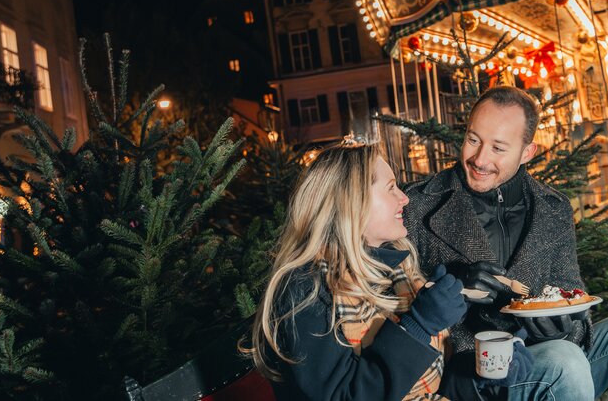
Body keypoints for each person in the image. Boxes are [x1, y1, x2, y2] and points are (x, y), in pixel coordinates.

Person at [247, 142, 576, 401]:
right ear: (352, 201)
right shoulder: (304, 288)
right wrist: (419, 325)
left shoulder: (397, 267)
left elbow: (433, 381)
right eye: (390, 188)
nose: (404, 198)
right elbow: (345, 395)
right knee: (562, 363)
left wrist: (481, 375)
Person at [404, 86, 608, 400]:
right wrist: (448, 284)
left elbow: (574, 299)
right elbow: (396, 310)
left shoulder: (553, 208)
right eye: (473, 139)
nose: (479, 158)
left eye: (498, 148)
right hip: (473, 375)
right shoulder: (417, 205)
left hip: (542, 358)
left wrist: (566, 329)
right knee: (564, 361)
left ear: (526, 152)